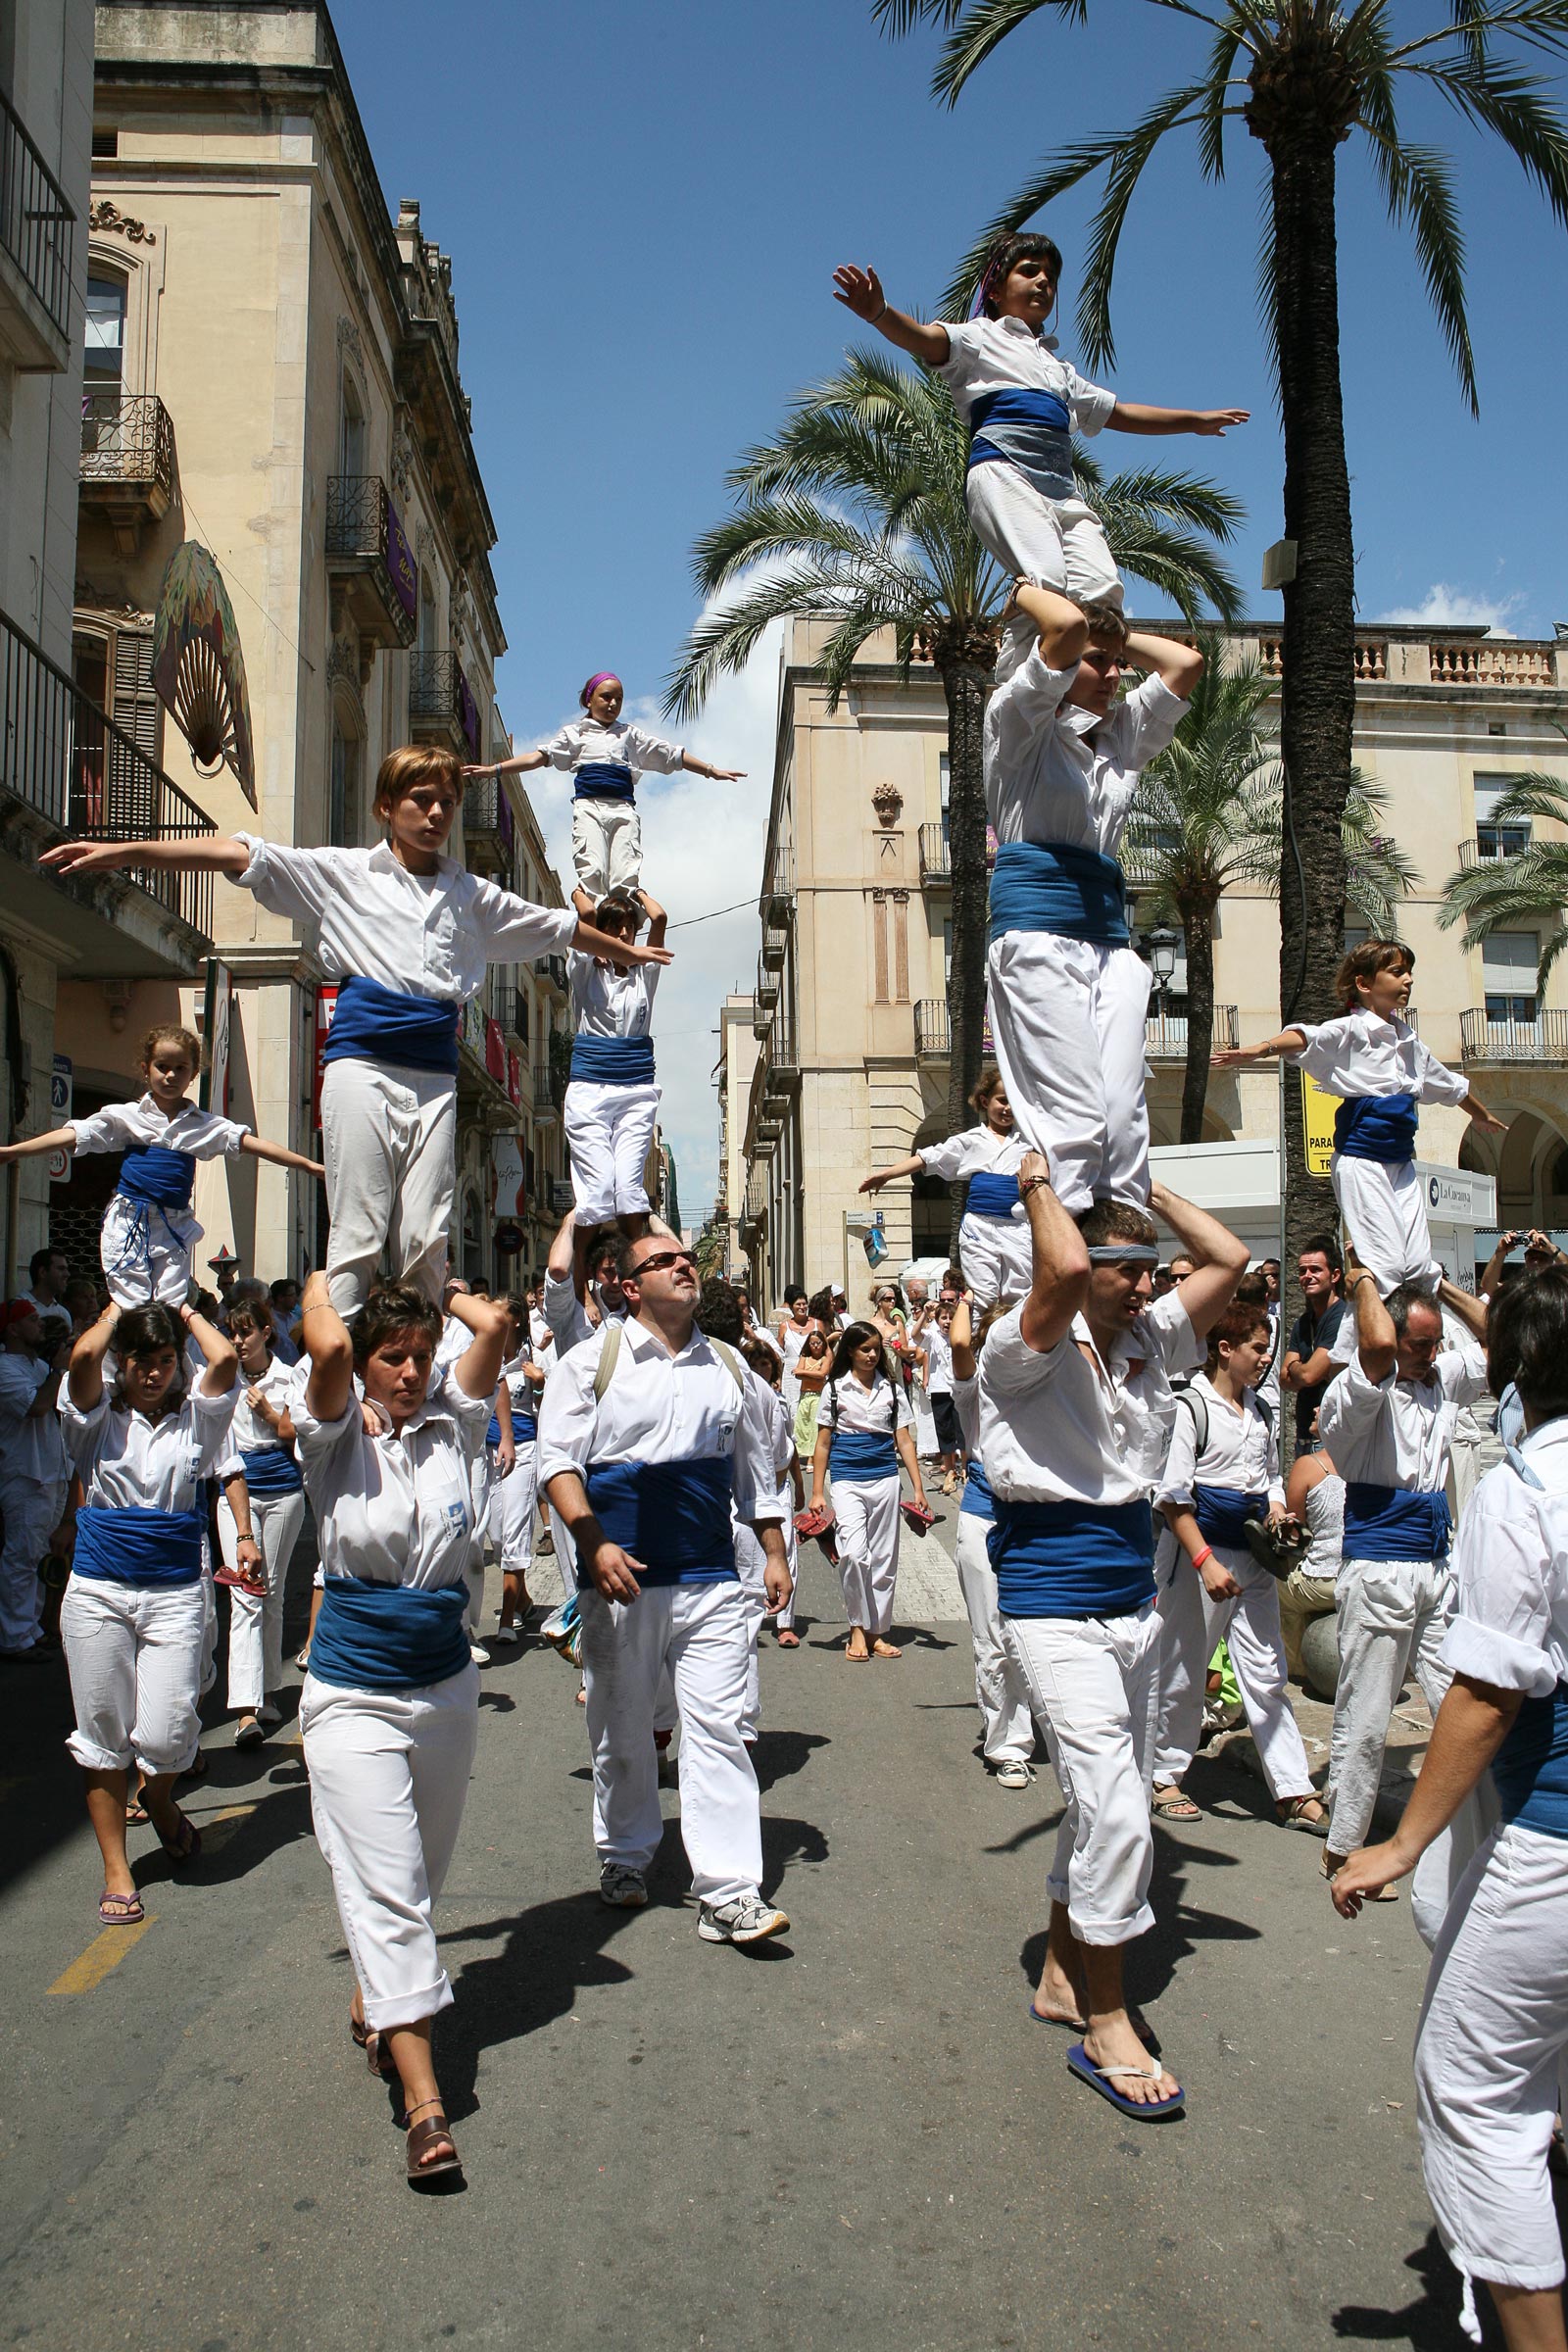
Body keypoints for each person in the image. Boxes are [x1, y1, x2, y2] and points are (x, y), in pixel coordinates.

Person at [39, 749, 670, 1319]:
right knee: (360, 1232)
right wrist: (124, 851)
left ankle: (413, 1373)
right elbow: (240, 853)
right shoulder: (343, 873)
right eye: (421, 800)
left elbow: (560, 928)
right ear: (386, 807)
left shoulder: (472, 894)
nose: (437, 813)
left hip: (434, 1077)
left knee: (428, 1235)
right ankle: (340, 1368)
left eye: (447, 802)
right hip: (361, 1066)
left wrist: (629, 952)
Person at [1332, 1265, 1568, 2352]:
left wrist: (1400, 1841)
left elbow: (1484, 1691)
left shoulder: (1525, 1490)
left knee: (1471, 2092)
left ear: (1516, 1375)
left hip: (1553, 1838)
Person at [979, 1168, 1247, 2115]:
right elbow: (1056, 1271)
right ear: (1083, 1267)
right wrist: (1043, 1182)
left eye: (1148, 1274)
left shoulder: (1151, 1334)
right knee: (1119, 1809)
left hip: (1133, 1600)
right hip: (1052, 1600)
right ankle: (1107, 2022)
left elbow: (1231, 1258)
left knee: (1107, 1799)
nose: (1148, 1288)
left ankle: (1060, 1973)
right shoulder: (1025, 1345)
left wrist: (1148, 1185)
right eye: (1125, 1272)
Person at [292, 1270, 510, 2185]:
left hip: (444, 1688)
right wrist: (321, 1282)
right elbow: (331, 1348)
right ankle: (426, 2104)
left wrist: (442, 1290)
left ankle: (381, 1996)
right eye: (396, 1358)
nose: (413, 1371)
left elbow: (491, 1326)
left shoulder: (455, 1424)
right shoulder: (334, 1435)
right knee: (390, 1891)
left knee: (417, 1875)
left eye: (422, 1356)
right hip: (351, 1695)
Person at [537, 1230, 793, 1944]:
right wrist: (593, 1543)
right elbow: (556, 1464)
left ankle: (730, 1890)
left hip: (711, 1579)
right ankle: (624, 1856)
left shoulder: (731, 1367)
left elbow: (755, 1476)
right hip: (623, 1583)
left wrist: (773, 1553)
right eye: (664, 1261)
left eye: (687, 1258)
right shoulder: (592, 1363)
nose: (685, 1266)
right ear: (627, 1285)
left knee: (718, 1730)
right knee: (623, 1731)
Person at [832, 237, 1245, 667]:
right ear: (995, 289)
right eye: (1029, 271)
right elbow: (924, 339)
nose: (1043, 281)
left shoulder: (1059, 370)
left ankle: (1075, 703)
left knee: (1101, 593)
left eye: (1050, 276)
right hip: (1005, 472)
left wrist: (1193, 422)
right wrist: (879, 313)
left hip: (1061, 491)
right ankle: (1017, 684)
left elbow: (1119, 412)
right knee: (1046, 585)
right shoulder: (980, 338)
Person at [982, 579, 1202, 1212]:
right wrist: (1025, 585)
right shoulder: (1016, 723)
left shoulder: (1122, 737)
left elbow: (1185, 663)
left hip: (1109, 941)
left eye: (1118, 663)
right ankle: (1062, 1248)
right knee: (1073, 1122)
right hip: (1040, 937)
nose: (1111, 673)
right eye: (1095, 660)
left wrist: (1113, 634)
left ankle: (1120, 1253)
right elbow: (1064, 632)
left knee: (1124, 1118)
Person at [57, 1298, 240, 1921]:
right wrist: (123, 1301)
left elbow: (224, 1356)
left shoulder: (198, 1421)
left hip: (174, 1593)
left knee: (168, 1732)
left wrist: (185, 1307)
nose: (156, 1373)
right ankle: (116, 1868)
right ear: (122, 1365)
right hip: (99, 1592)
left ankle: (159, 1799)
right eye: (143, 1361)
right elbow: (82, 1355)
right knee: (103, 1733)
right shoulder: (94, 1420)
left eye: (166, 1362)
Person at [1318, 1254, 1491, 1901]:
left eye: (1434, 1343)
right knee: (1365, 1721)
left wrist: (1439, 1282)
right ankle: (1343, 1852)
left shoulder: (1440, 1375)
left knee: (1461, 1708)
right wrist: (1363, 1276)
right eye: (1419, 1345)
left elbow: (1500, 1337)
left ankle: (1472, 1847)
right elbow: (1381, 1344)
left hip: (1436, 1571)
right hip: (1380, 1572)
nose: (1430, 1354)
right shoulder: (1354, 1395)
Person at [1215, 942, 1505, 1298]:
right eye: (1398, 972)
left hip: (1400, 1162)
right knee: (1385, 1265)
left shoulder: (1410, 1042)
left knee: (1418, 1264)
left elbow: (1450, 1085)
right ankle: (1367, 1342)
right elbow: (1306, 1036)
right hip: (1362, 1160)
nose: (1408, 980)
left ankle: (1418, 1339)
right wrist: (1259, 1049)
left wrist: (1483, 1115)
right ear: (1365, 984)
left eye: (1409, 973)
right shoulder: (1352, 1030)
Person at [1151, 1299, 1328, 1832]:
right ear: (1224, 1349)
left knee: (1267, 1673)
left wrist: (1276, 1511)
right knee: (1184, 1668)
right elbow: (1173, 1497)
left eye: (1268, 1346)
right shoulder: (1190, 1409)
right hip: (1200, 1557)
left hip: (1252, 1559)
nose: (1266, 1356)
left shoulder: (1262, 1411)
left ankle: (1292, 1789)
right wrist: (1203, 1561)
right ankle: (1164, 1773)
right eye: (1257, 1347)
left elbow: (1269, 1478)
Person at [0, 1026, 321, 1308]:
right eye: (162, 1066)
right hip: (129, 1219)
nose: (170, 1075)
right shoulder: (126, 1116)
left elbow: (254, 1144)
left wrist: (307, 1165)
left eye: (180, 1068)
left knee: (170, 1300)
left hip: (173, 1224)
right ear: (146, 1069)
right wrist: (15, 1151)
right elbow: (73, 1135)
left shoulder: (204, 1126)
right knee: (132, 1301)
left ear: (193, 1073)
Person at [472, 671, 745, 919]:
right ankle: (596, 944)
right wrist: (495, 770)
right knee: (593, 873)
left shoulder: (629, 735)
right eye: (606, 697)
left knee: (624, 879)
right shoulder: (575, 734)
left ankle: (622, 942)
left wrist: (711, 770)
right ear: (589, 700)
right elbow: (538, 757)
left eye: (619, 699)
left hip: (623, 809)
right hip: (589, 808)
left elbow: (673, 755)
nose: (613, 704)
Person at [951, 1291, 1036, 1788]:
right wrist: (965, 1297)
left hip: (1038, 1523)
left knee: (1038, 1634)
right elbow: (960, 1342)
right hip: (984, 1516)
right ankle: (1008, 1743)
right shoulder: (974, 1388)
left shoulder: (1049, 1384)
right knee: (992, 1637)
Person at [214, 1300, 306, 1747]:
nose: (237, 1341)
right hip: (236, 1495)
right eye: (231, 1333)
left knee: (270, 1594)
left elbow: (296, 1432)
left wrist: (270, 1412)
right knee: (243, 1595)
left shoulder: (287, 1376)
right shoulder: (221, 1377)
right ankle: (246, 1709)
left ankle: (269, 1692)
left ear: (266, 1333)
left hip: (283, 1491)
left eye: (245, 1333)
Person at [808, 1320, 930, 1662]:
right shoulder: (834, 1389)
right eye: (865, 1349)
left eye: (876, 1349)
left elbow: (903, 1439)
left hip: (885, 1478)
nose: (872, 1355)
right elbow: (822, 1442)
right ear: (850, 1350)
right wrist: (817, 1492)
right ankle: (857, 1627)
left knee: (883, 1558)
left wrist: (918, 1488)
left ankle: (877, 1632)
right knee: (853, 1553)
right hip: (847, 1478)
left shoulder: (891, 1390)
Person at [860, 1071, 1030, 1307]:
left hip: (1017, 1228)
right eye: (1002, 1100)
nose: (1008, 1108)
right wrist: (887, 1174)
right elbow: (928, 1157)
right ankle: (978, 1343)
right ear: (985, 1101)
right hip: (979, 1228)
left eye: (1013, 1100)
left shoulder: (1028, 1142)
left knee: (1020, 1296)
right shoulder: (971, 1140)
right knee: (984, 1298)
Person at [564, 886, 666, 1231]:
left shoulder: (645, 973)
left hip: (635, 1089)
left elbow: (660, 917)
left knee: (629, 1190)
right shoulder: (583, 969)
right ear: (603, 932)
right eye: (615, 927)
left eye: (629, 928)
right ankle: (579, 1277)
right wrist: (580, 893)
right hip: (591, 1087)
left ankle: (634, 1265)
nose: (624, 934)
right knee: (597, 1192)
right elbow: (586, 915)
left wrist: (636, 890)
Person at [0, 1299, 72, 1659]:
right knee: (22, 1556)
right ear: (13, 1329)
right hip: (25, 1475)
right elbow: (37, 1407)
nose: (39, 1325)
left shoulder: (39, 1365)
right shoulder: (5, 1368)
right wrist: (57, 1372)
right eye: (31, 1320)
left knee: (41, 1554)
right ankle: (14, 1637)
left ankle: (32, 1628)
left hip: (51, 1473)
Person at [488, 1295, 547, 1643]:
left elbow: (553, 1405)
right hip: (487, 1453)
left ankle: (507, 1619)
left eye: (499, 1315)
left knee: (513, 1531)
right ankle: (523, 1599)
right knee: (496, 1536)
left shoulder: (533, 1358)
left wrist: (540, 1383)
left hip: (524, 1450)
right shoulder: (482, 1356)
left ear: (516, 1323)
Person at [1278, 1432, 1345, 1681]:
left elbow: (1294, 1530)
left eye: (1322, 1405)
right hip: (1359, 1573)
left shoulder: (1308, 1465)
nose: (1314, 1409)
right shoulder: (1366, 1460)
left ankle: (1296, 1668)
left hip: (1324, 1580)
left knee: (1277, 1588)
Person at [1281, 1235, 1348, 1451]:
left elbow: (1307, 1375)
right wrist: (1306, 1372)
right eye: (1302, 1271)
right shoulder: (1302, 1323)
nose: (1307, 1276)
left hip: (1331, 1437)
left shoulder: (1343, 1318)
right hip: (1304, 1435)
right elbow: (1284, 1379)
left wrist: (1297, 1368)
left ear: (1335, 1275)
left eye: (1315, 1270)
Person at [917, 1298, 963, 1494]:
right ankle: (950, 1470)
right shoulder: (933, 1336)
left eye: (951, 1318)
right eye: (943, 1318)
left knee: (962, 1429)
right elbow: (915, 1334)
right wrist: (924, 1315)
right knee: (944, 1430)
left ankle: (966, 1470)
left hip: (959, 1388)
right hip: (939, 1388)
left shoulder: (961, 1336)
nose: (947, 1322)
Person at [16, 1246, 71, 1317]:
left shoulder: (62, 1314)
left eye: (66, 1269)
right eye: (61, 1269)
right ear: (43, 1272)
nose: (67, 1274)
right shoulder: (17, 1309)